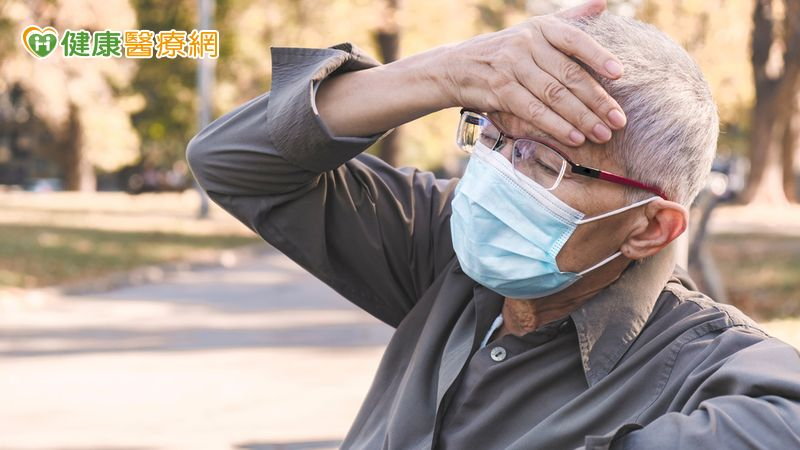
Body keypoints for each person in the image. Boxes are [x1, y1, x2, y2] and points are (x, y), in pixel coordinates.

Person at [186, 1, 800, 448]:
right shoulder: (443, 244)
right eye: (493, 136)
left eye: (548, 162)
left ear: (650, 228)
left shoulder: (699, 366)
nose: (498, 175)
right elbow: (231, 161)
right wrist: (445, 72)